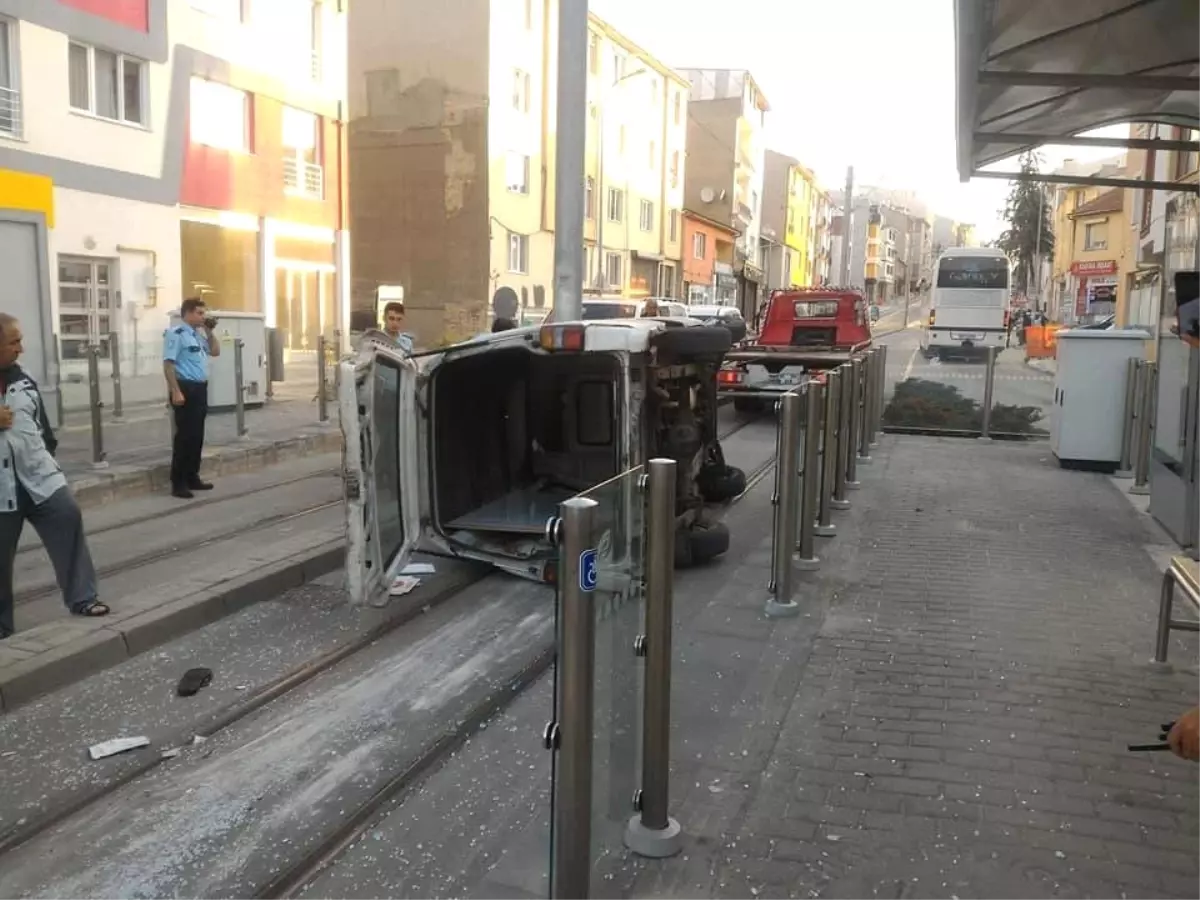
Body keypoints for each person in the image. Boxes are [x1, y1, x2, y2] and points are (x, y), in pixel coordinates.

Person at [0, 313, 109, 637]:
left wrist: (47, 454)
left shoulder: (23, 377)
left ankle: (82, 597)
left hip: (38, 476)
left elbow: (42, 425)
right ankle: (3, 628)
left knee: (67, 515)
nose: (21, 347)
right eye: (13, 341)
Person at [164, 297, 220, 500]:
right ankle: (178, 482)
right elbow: (168, 364)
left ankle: (192, 476)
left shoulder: (197, 335)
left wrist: (209, 331)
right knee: (184, 437)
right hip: (185, 387)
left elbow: (215, 351)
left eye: (203, 313)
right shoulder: (176, 334)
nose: (202, 316)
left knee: (197, 436)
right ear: (187, 313)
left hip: (200, 388)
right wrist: (175, 391)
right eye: (199, 313)